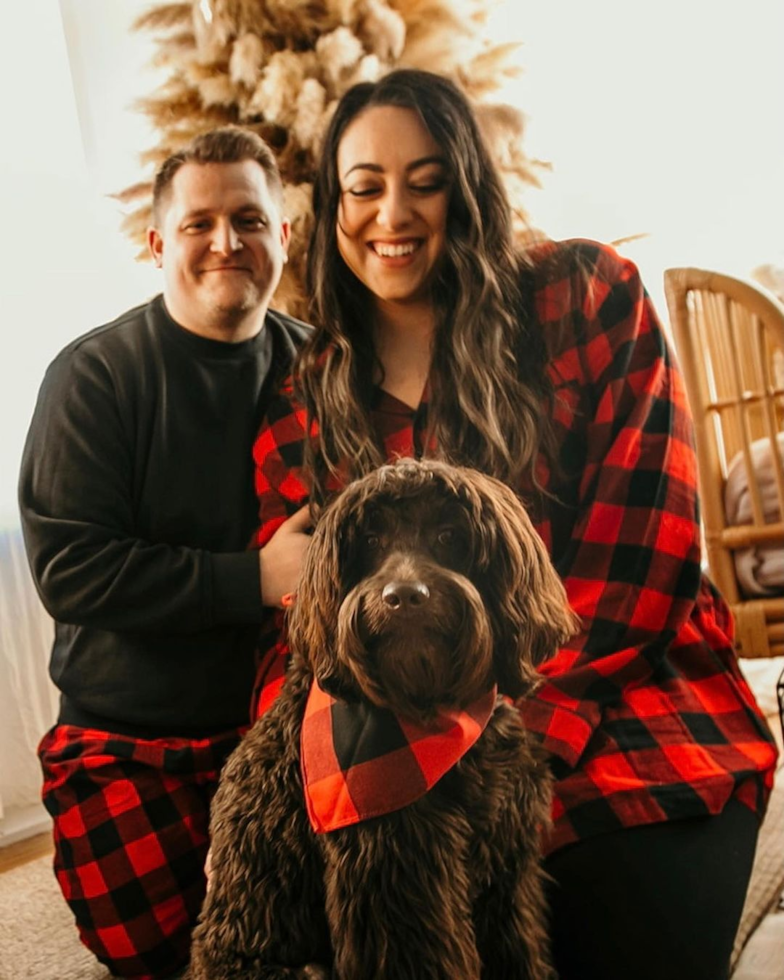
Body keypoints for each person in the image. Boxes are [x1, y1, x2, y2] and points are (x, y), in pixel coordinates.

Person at [249, 71, 779, 980]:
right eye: (364, 187)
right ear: (333, 208)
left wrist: (512, 737)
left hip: (624, 693)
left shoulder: (585, 293)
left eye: (426, 180)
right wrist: (318, 775)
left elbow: (647, 553)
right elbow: (306, 635)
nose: (393, 212)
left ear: (468, 182)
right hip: (414, 736)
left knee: (606, 939)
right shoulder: (306, 399)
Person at [19, 127, 312, 980]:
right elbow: (70, 570)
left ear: (282, 237)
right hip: (126, 738)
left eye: (250, 220)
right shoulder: (93, 378)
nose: (227, 243)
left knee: (321, 930)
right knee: (158, 953)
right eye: (199, 224)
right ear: (157, 244)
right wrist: (252, 579)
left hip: (278, 731)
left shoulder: (319, 365)